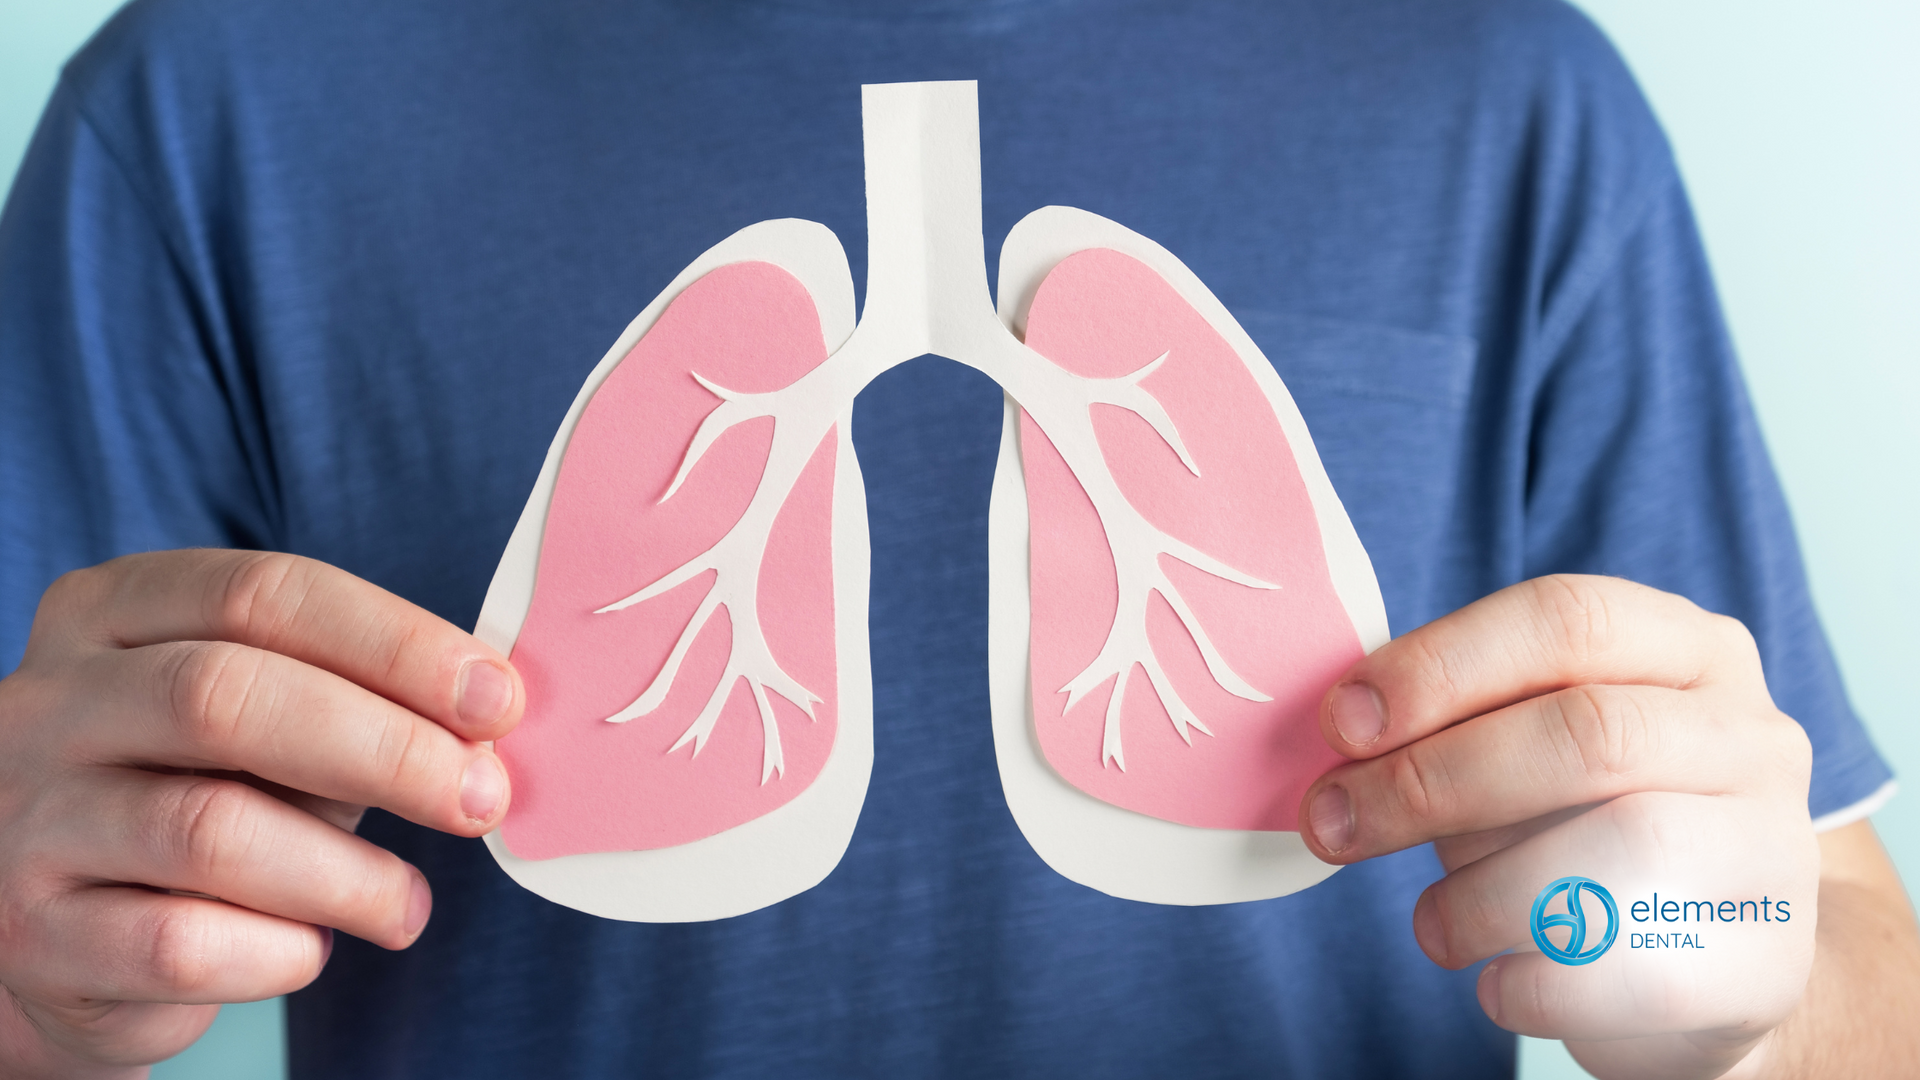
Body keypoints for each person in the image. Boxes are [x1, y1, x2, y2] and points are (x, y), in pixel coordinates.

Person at [0, 0, 1915, 1077]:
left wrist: (1726, 994)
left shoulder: (1504, 96)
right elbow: (40, 892)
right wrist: (30, 989)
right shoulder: (214, 105)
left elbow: (1847, 961)